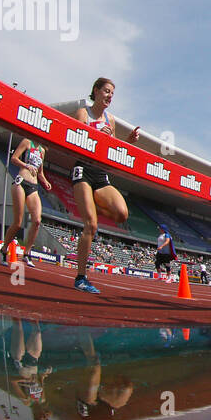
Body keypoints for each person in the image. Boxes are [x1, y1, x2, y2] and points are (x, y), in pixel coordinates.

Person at [69, 77, 141, 294]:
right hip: (83, 169)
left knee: (121, 214)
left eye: (112, 93)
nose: (110, 96)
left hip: (101, 175)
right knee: (90, 226)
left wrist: (127, 141)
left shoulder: (111, 121)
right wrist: (96, 135)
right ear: (96, 91)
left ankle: (87, 205)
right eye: (107, 91)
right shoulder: (83, 113)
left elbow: (113, 151)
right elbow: (76, 140)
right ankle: (81, 278)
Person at [0, 138, 51, 265]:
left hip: (34, 186)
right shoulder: (27, 142)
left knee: (37, 220)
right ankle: (4, 249)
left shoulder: (42, 151)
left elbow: (40, 172)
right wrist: (26, 165)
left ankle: (27, 253)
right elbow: (14, 158)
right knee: (17, 222)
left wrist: (45, 182)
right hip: (21, 182)